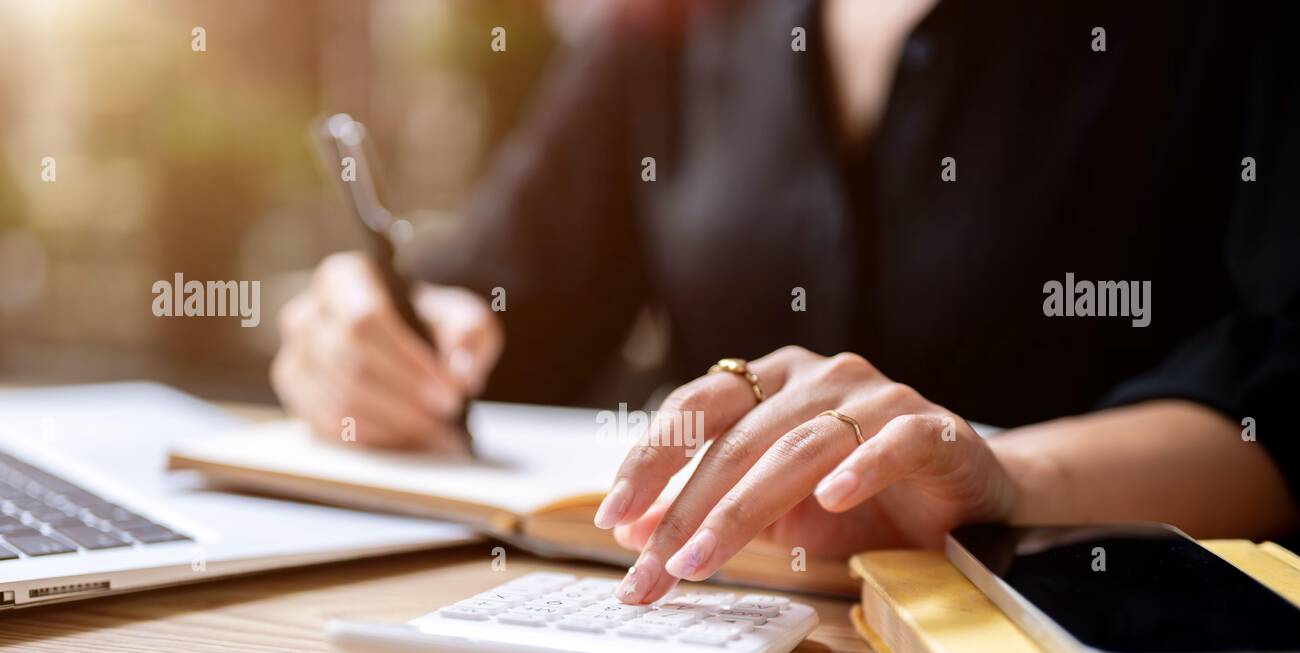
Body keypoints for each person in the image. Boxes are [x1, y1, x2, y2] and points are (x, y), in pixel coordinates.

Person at [272, 0, 1300, 606]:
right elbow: (507, 300)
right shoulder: (671, 23)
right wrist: (370, 336)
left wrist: (1004, 473)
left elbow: (1284, 377)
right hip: (719, 651)